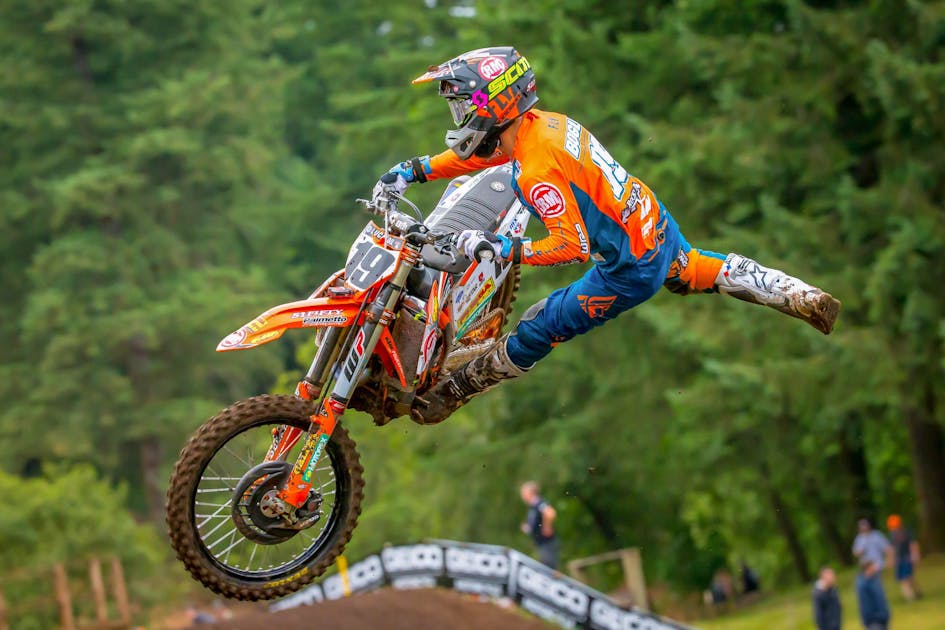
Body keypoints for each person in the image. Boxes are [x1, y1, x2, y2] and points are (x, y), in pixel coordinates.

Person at [371, 46, 842, 425]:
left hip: (627, 269)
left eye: (462, 106)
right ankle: (797, 293)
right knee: (694, 270)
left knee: (541, 324)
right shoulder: (543, 126)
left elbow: (570, 246)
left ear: (494, 105)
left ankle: (457, 389)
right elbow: (485, 156)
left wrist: (503, 247)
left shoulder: (536, 172)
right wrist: (415, 170)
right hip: (650, 220)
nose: (458, 117)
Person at [852, 518, 892, 630]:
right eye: (861, 527)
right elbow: (856, 552)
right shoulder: (859, 539)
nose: (864, 528)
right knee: (870, 593)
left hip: (877, 566)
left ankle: (882, 615)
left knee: (878, 592)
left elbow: (887, 548)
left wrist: (889, 561)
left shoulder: (876, 536)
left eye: (865, 526)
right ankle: (877, 619)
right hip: (866, 569)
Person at [519, 481, 559, 569]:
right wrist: (528, 528)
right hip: (542, 544)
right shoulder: (533, 506)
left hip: (547, 543)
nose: (522, 496)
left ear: (529, 493)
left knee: (548, 571)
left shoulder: (538, 502)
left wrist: (547, 526)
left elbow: (551, 513)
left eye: (523, 493)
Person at [887, 513, 922, 601]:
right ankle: (914, 594)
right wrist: (890, 560)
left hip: (907, 558)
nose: (894, 528)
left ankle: (910, 597)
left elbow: (913, 544)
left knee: (907, 578)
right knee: (906, 578)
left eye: (895, 526)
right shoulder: (892, 535)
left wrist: (915, 556)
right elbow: (891, 548)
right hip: (899, 560)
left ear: (899, 524)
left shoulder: (907, 533)